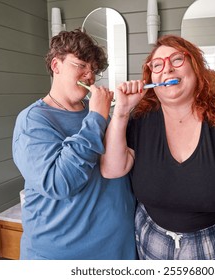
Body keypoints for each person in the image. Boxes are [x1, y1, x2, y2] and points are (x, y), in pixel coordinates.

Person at [100, 34, 215, 260]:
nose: (167, 69)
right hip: (154, 242)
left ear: (195, 67)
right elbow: (112, 170)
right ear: (151, 77)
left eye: (177, 59)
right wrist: (121, 111)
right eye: (157, 65)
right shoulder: (139, 119)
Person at [12, 29, 136, 260]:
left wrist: (119, 113)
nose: (89, 75)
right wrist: (97, 117)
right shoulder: (33, 120)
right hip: (61, 256)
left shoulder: (103, 115)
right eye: (80, 65)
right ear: (56, 65)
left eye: (93, 70)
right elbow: (59, 183)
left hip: (117, 250)